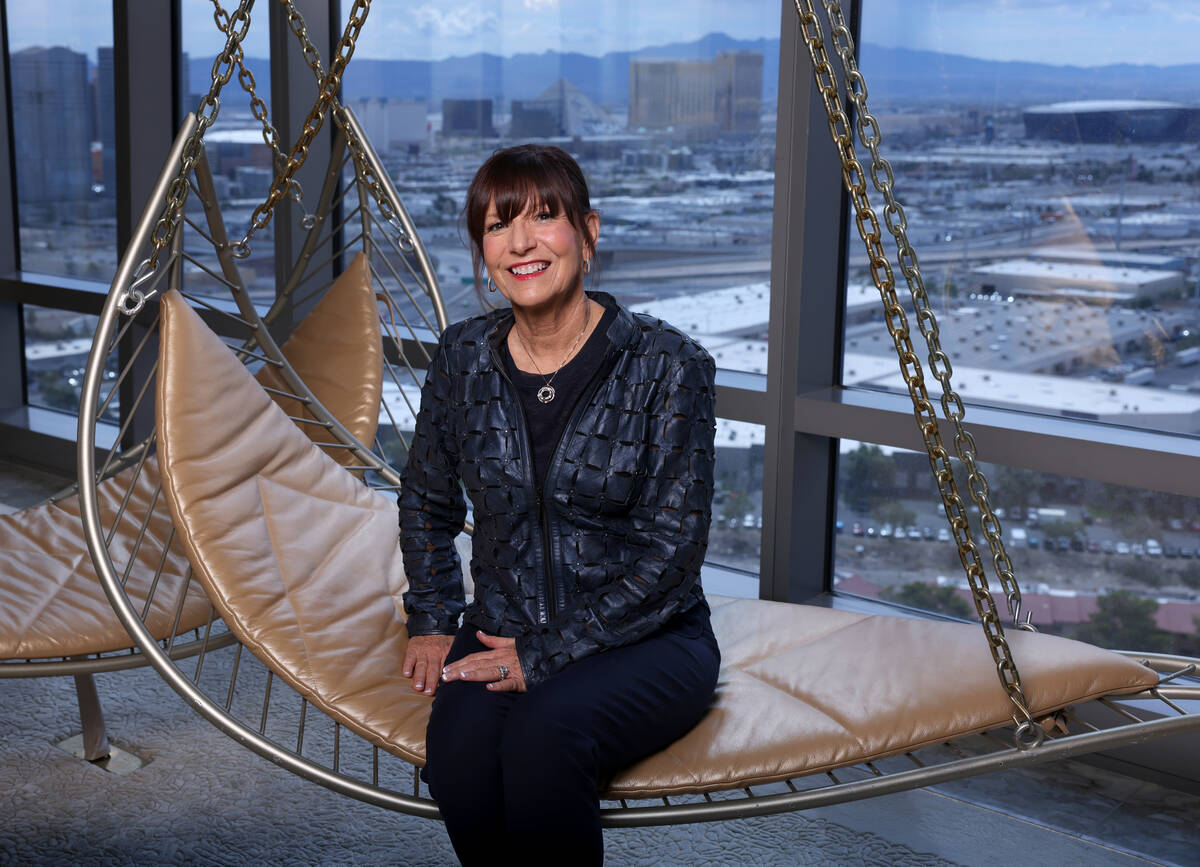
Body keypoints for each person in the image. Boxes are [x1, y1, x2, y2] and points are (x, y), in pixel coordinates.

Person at [398, 143, 720, 866]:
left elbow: (674, 552)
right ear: (481, 251)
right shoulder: (463, 357)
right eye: (496, 225)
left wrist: (545, 655)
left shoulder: (669, 367)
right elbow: (425, 493)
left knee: (545, 735)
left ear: (589, 230)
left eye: (544, 217)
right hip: (501, 622)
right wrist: (430, 616)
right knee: (459, 758)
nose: (520, 243)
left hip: (649, 639)